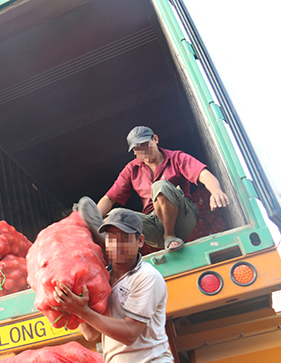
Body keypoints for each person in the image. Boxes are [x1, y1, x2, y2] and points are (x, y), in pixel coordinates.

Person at [53, 209, 174, 363]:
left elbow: (130, 334)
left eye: (124, 238)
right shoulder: (102, 279)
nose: (117, 244)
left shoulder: (146, 277)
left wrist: (82, 312)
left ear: (140, 241)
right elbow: (91, 334)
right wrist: (71, 306)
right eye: (111, 237)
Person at [90, 126, 229, 252]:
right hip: (155, 226)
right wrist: (93, 223)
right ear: (134, 152)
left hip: (183, 218)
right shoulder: (132, 169)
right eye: (137, 148)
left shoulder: (176, 158)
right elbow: (109, 198)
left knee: (160, 186)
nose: (143, 150)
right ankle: (117, 255)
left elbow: (202, 174)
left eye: (145, 144)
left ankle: (170, 235)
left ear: (155, 139)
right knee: (115, 216)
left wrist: (216, 191)